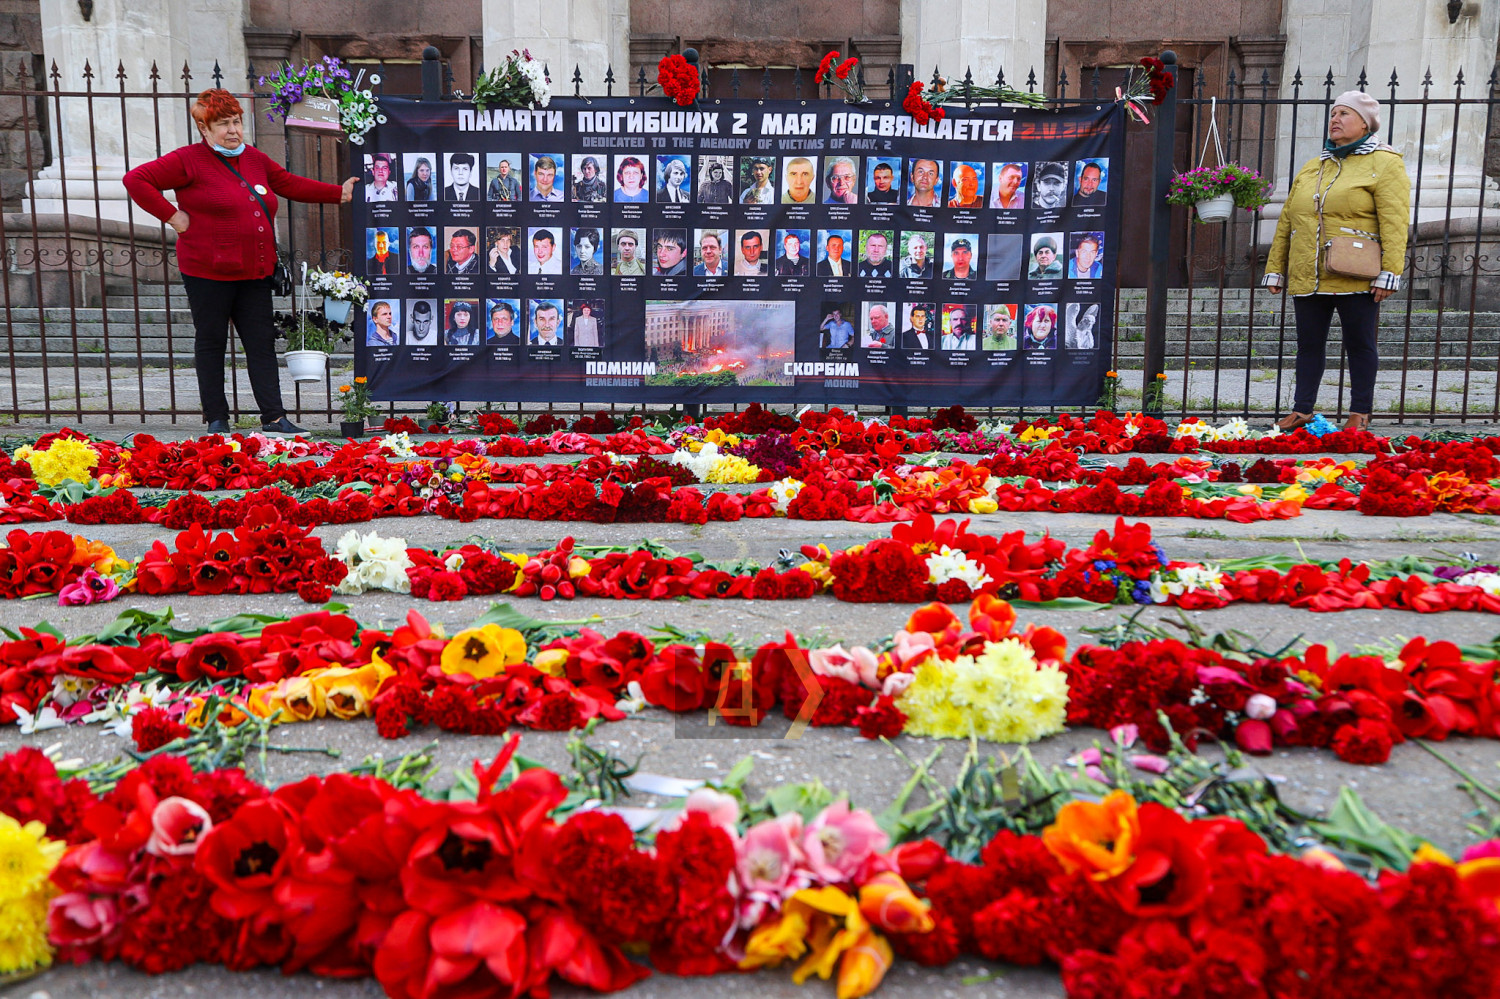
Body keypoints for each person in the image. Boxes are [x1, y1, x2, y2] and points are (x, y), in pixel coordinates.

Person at [121, 88, 354, 435]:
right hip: (207, 271)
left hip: (254, 271)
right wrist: (173, 216)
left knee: (261, 344)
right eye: (223, 124)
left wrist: (338, 193)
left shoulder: (254, 159)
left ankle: (274, 417)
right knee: (212, 342)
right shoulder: (187, 159)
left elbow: (288, 183)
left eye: (236, 122)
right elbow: (136, 180)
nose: (232, 130)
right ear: (204, 128)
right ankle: (217, 418)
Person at [1264, 90, 1409, 433]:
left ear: (1365, 124)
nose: (1335, 119)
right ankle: (1302, 410)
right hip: (1308, 271)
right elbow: (1288, 220)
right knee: (1308, 346)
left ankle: (1360, 412)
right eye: (1333, 114)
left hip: (1357, 273)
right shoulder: (1314, 165)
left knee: (1359, 344)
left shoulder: (1386, 163)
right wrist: (1275, 268)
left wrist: (1390, 271)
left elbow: (1395, 221)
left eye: (1344, 114)